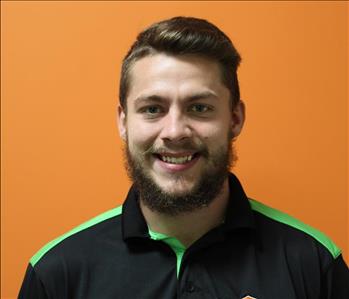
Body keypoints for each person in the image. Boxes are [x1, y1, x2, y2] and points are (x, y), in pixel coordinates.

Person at [18, 16, 349, 299]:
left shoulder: (314, 262)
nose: (175, 131)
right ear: (123, 121)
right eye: (152, 109)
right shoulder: (58, 273)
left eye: (200, 108)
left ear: (235, 119)